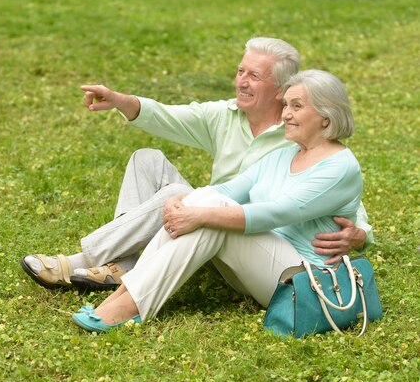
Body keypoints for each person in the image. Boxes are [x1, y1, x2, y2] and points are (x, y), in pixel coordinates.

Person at [21, 37, 372, 292]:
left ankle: (80, 261)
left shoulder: (300, 133)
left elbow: (337, 195)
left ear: (282, 89)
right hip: (208, 212)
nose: (241, 81)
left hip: (245, 238)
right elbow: (166, 117)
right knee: (147, 160)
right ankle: (121, 266)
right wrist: (120, 101)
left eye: (254, 76)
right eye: (240, 71)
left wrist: (361, 235)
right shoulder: (223, 115)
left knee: (176, 193)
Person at [72, 69, 364, 332]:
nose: (285, 113)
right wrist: (180, 203)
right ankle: (124, 297)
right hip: (259, 267)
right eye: (286, 104)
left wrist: (199, 214)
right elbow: (226, 190)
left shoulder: (339, 167)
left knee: (213, 214)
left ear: (326, 115)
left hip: (304, 283)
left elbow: (276, 213)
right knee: (209, 202)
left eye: (297, 106)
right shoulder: (283, 155)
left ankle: (129, 304)